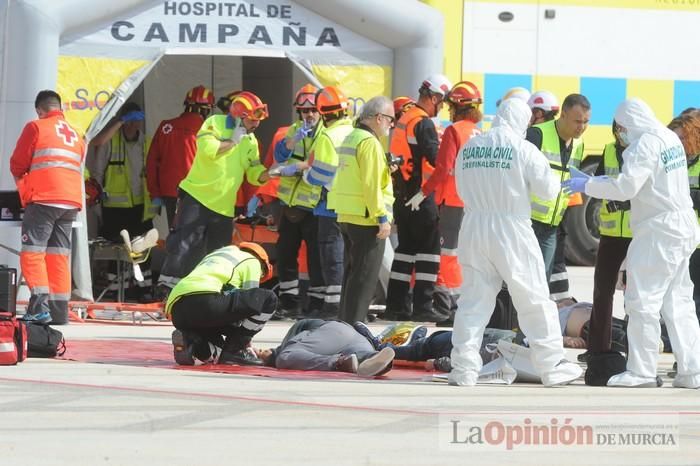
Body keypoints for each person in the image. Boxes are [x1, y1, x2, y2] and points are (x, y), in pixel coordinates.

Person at [563, 98, 700, 388]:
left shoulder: (643, 145)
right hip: (681, 225)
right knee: (679, 302)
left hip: (658, 229)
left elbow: (626, 188)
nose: (621, 133)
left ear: (629, 123)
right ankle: (692, 370)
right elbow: (645, 180)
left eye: (622, 128)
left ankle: (642, 371)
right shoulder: (667, 138)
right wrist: (599, 179)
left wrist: (587, 184)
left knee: (642, 301)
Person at [449, 97, 582, 387]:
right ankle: (551, 365)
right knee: (533, 296)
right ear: (523, 121)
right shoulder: (524, 149)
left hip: (473, 226)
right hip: (511, 228)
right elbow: (548, 192)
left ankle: (463, 367)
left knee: (473, 301)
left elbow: (459, 186)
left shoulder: (471, 146)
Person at [157, 91, 271, 294]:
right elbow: (209, 150)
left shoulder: (250, 141)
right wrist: (233, 141)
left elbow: (253, 173)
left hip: (224, 206)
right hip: (196, 196)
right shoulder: (214, 123)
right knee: (184, 245)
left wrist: (272, 172)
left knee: (218, 255)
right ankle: (167, 288)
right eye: (254, 119)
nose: (257, 125)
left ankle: (208, 291)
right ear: (241, 115)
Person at [405, 81, 483, 324]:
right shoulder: (480, 133)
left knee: (447, 254)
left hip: (452, 201)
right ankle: (462, 304)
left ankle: (449, 307)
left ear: (457, 107)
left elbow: (443, 168)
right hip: (474, 203)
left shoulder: (454, 131)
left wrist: (422, 192)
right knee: (463, 254)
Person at [10, 90, 85, 324]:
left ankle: (39, 308)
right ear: (59, 108)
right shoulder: (76, 133)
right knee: (59, 255)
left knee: (33, 253)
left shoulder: (36, 127)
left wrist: (25, 188)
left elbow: (17, 164)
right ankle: (59, 312)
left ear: (39, 110)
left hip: (44, 198)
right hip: (70, 200)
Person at [386, 74, 452, 322]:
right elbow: (437, 159)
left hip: (403, 197)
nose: (441, 107)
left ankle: (396, 305)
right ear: (434, 97)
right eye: (441, 102)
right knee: (429, 252)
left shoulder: (405, 117)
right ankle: (423, 306)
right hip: (421, 197)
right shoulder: (423, 123)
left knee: (405, 251)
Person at [329, 96, 395, 324]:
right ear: (379, 118)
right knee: (364, 280)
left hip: (348, 215)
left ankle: (343, 326)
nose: (391, 124)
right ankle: (353, 331)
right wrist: (382, 217)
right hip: (368, 220)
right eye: (390, 119)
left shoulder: (352, 137)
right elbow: (370, 185)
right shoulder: (369, 143)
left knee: (352, 277)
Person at [166, 242, 277, 365]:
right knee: (268, 299)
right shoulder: (252, 260)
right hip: (207, 301)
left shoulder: (215, 256)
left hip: (178, 312)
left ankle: (190, 339)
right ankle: (235, 350)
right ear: (261, 262)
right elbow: (251, 305)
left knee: (218, 353)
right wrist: (244, 344)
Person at [271, 84, 326, 319]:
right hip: (290, 204)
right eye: (305, 111)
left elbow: (318, 165)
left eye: (313, 110)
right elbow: (277, 157)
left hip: (315, 205)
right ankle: (289, 302)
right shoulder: (292, 131)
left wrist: (294, 168)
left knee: (316, 257)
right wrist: (292, 142)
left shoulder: (326, 134)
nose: (309, 115)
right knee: (285, 254)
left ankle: (316, 304)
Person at [580, 121, 632, 363]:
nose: (622, 133)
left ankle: (635, 352)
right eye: (619, 129)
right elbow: (599, 183)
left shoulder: (642, 152)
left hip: (636, 234)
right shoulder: (609, 150)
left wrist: (624, 202)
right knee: (602, 291)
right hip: (611, 234)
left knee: (634, 297)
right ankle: (597, 349)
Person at [302, 86, 355, 318]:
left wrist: (305, 174)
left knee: (331, 255)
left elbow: (320, 176)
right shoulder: (354, 132)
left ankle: (332, 307)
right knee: (348, 255)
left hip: (330, 204)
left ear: (323, 113)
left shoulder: (327, 136)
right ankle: (347, 303)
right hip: (352, 205)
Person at [526, 94, 590, 280]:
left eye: (586, 122)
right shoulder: (537, 134)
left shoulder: (579, 144)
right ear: (563, 115)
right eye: (577, 121)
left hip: (551, 227)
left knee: (541, 283)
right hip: (527, 222)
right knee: (519, 281)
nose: (582, 127)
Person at [146, 85, 214, 228]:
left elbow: (151, 162)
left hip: (170, 191)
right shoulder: (209, 131)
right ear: (206, 109)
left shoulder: (166, 127)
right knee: (195, 237)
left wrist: (155, 193)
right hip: (198, 194)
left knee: (176, 234)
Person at [92, 102, 157, 242]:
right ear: (123, 122)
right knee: (113, 250)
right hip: (114, 209)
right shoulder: (109, 142)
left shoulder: (147, 142)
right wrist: (96, 205)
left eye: (136, 121)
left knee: (142, 251)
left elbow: (156, 173)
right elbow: (97, 173)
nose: (133, 125)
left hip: (141, 208)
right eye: (129, 121)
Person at [257, 319, 395, 377]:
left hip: (334, 332)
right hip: (359, 340)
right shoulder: (312, 334)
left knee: (285, 357)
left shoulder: (301, 329)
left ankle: (339, 363)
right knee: (359, 357)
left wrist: (272, 355)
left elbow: (288, 351)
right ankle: (369, 357)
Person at [669, 112, 700, 320]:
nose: (677, 143)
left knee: (695, 296)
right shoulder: (674, 163)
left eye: (681, 138)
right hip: (677, 240)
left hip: (697, 242)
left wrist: (683, 195)